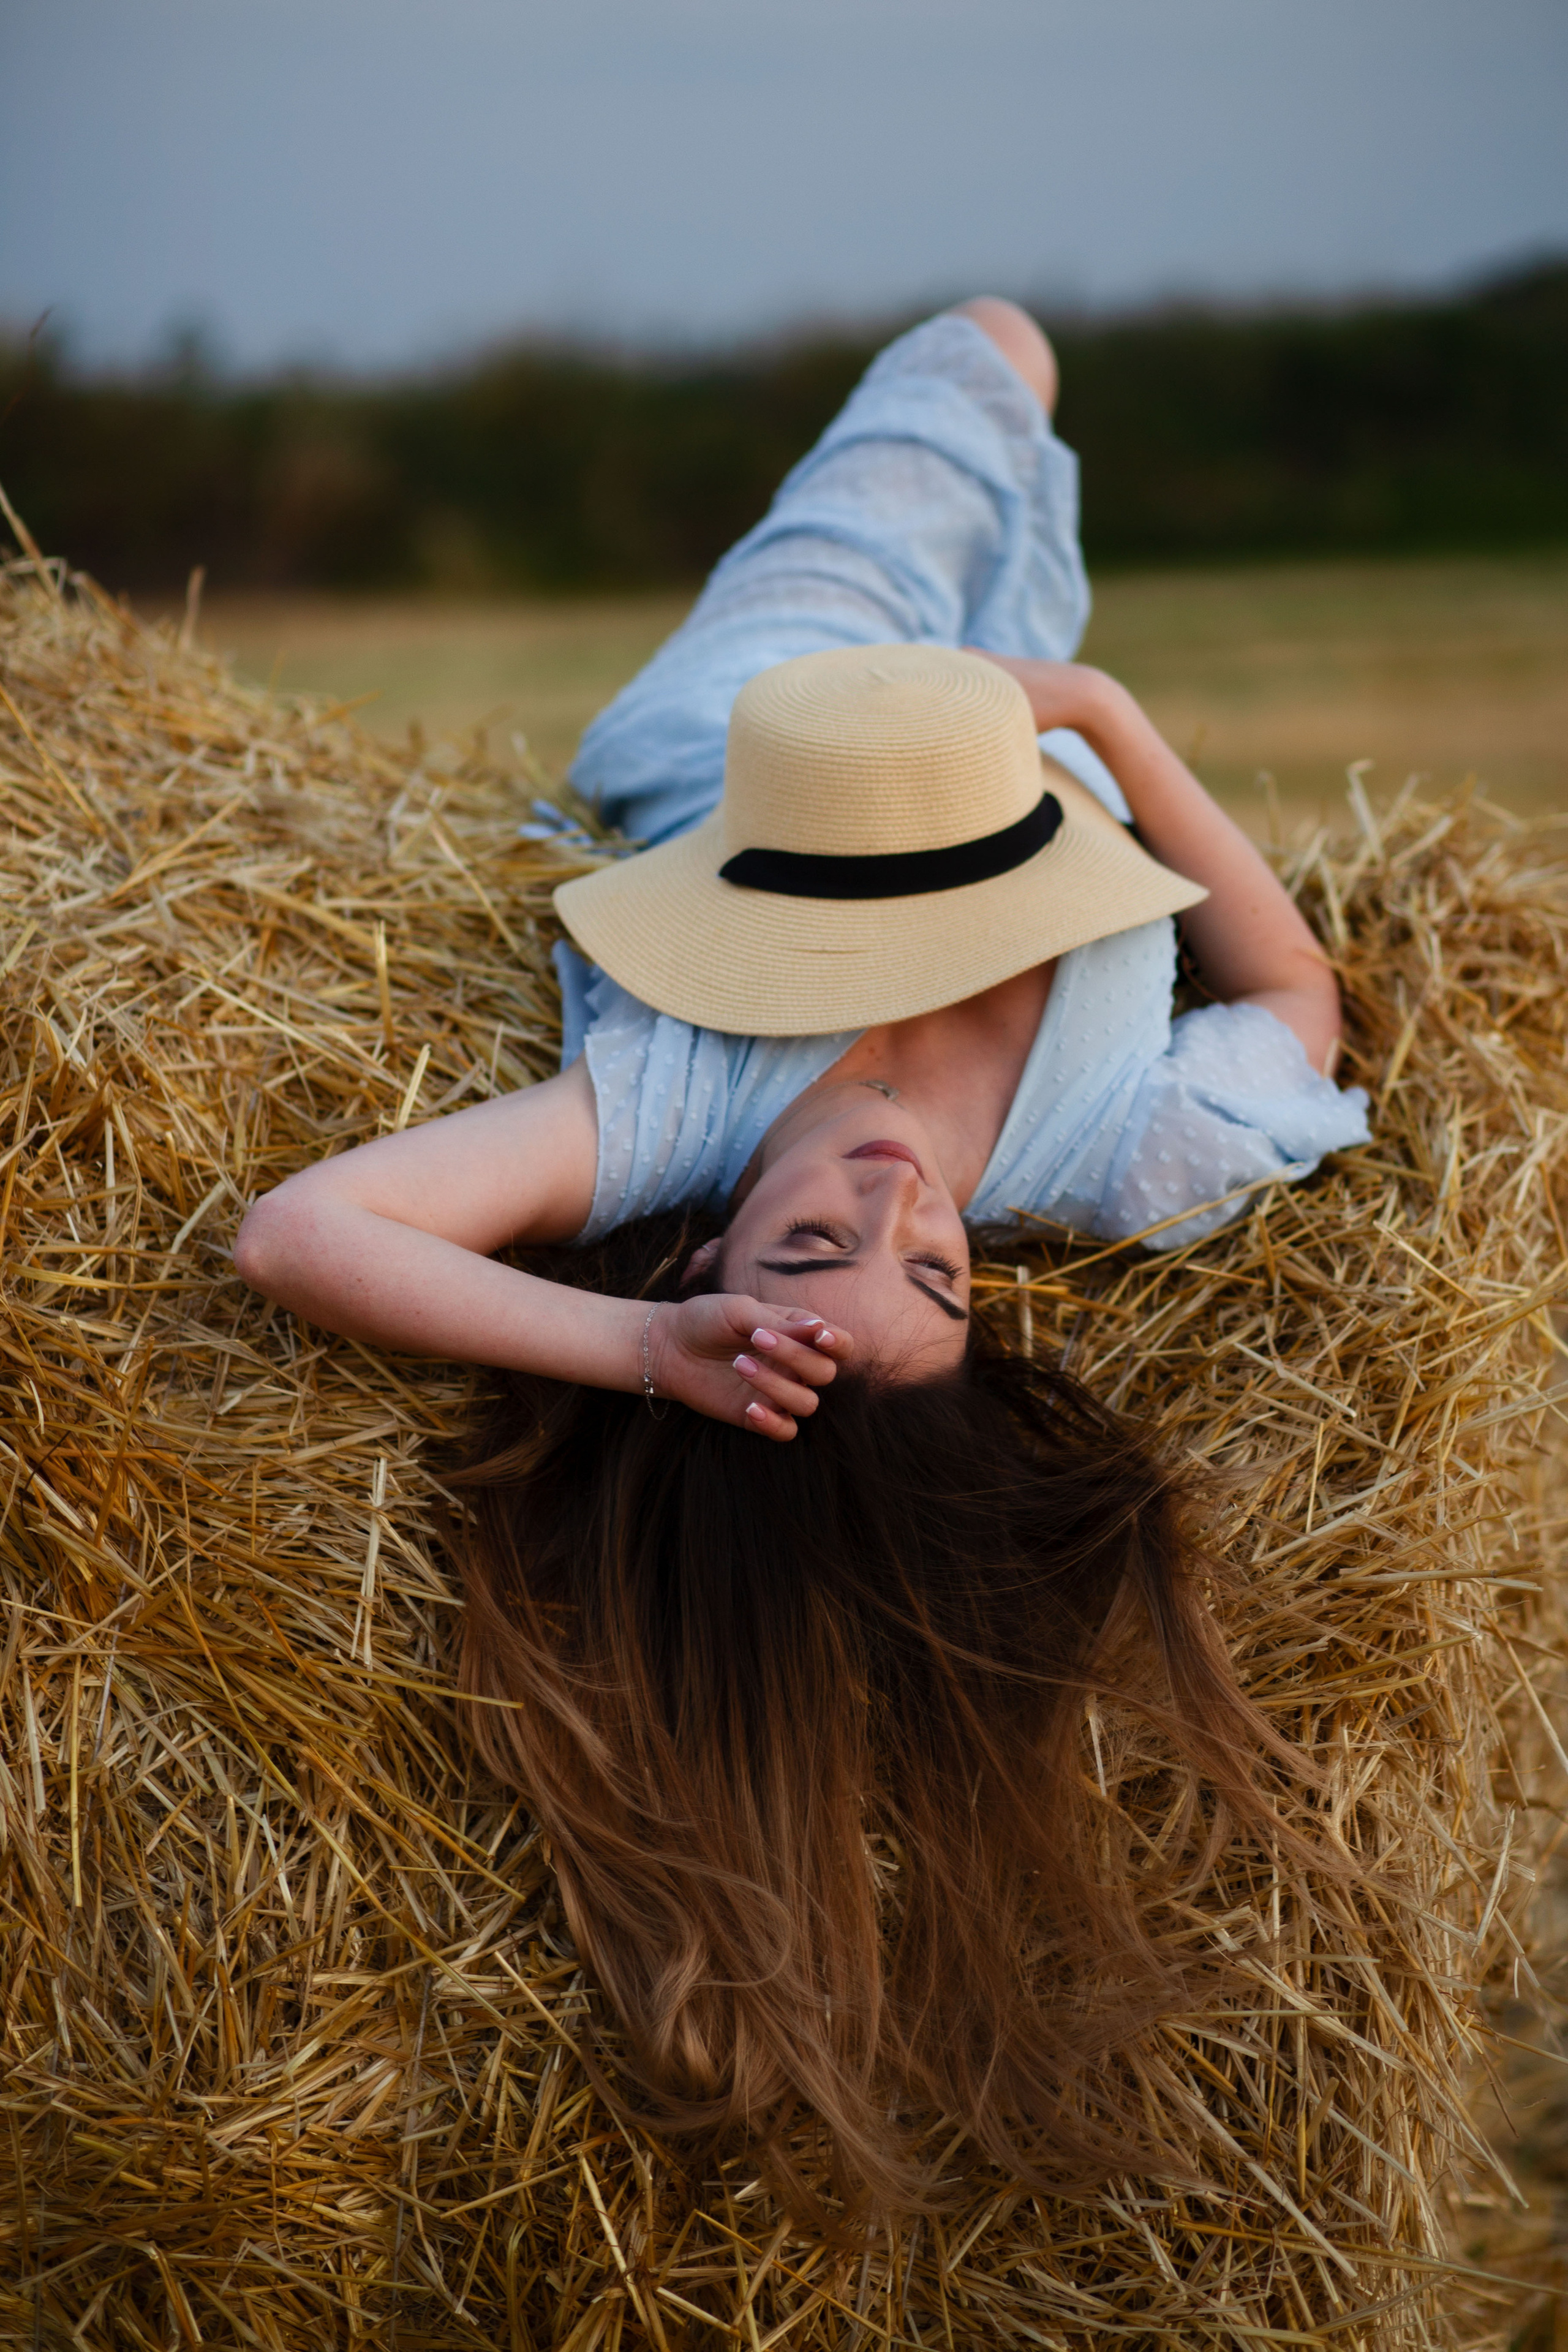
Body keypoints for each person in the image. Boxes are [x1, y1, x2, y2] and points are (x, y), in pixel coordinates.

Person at [234, 299, 1368, 2212]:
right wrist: (1100, 715)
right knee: (1028, 454)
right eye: (935, 1272)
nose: (899, 1199)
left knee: (990, 343)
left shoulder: (674, 1101)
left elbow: (296, 1231)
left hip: (763, 732)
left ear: (714, 1251)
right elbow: (1297, 1000)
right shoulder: (1109, 1152)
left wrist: (640, 1355)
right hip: (1023, 761)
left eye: (820, 1238)